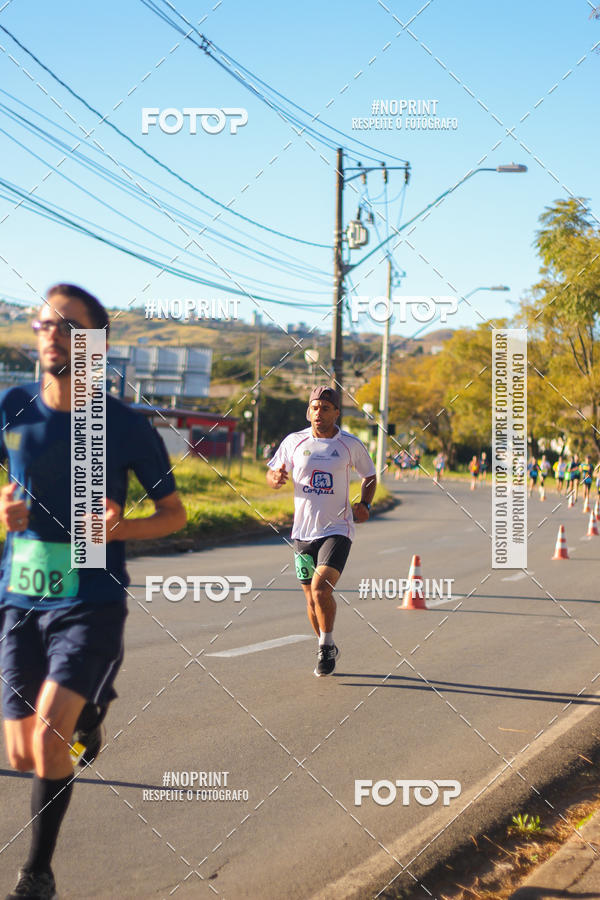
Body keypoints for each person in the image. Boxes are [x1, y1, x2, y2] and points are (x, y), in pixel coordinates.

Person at [0, 284, 187, 900]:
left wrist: (123, 527)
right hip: (21, 594)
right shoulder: (14, 406)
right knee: (25, 753)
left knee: (52, 736)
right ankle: (94, 714)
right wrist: (6, 510)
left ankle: (37, 871)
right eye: (44, 323)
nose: (52, 333)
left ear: (92, 343)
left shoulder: (124, 424)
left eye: (68, 325)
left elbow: (175, 514)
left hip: (90, 597)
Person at [266, 386, 376, 677]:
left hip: (338, 527)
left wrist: (364, 503)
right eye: (315, 407)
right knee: (310, 598)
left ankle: (326, 647)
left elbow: (370, 475)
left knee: (320, 588)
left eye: (326, 408)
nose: (319, 413)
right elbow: (273, 471)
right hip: (302, 532)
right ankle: (324, 642)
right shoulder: (294, 441)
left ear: (336, 412)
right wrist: (275, 477)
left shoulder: (349, 444)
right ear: (308, 411)